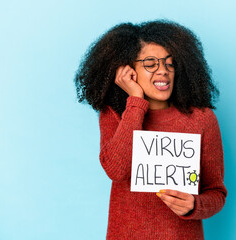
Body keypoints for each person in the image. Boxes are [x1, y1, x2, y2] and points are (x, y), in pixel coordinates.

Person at [74, 20, 227, 240]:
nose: (163, 71)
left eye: (169, 63)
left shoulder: (201, 119)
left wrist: (195, 205)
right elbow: (116, 170)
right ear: (129, 70)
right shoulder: (115, 115)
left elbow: (216, 193)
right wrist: (135, 100)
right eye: (150, 63)